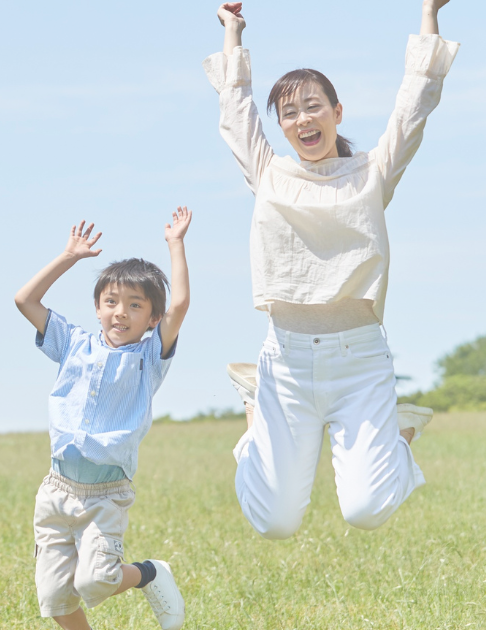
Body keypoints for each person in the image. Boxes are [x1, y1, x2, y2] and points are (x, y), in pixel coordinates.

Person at [205, 0, 458, 539]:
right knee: (275, 523)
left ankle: (401, 429)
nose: (302, 119)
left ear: (337, 112)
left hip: (358, 360)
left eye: (313, 106)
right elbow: (234, 108)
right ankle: (255, 414)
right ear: (282, 126)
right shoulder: (268, 172)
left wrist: (429, 13)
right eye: (289, 113)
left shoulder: (373, 171)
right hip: (285, 363)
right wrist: (233, 31)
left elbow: (415, 103)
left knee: (365, 510)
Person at [13, 209, 193, 630]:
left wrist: (175, 244)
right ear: (97, 307)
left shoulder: (149, 359)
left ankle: (150, 573)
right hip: (56, 490)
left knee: (96, 581)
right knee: (56, 599)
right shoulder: (72, 342)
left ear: (151, 319)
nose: (120, 313)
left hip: (105, 495)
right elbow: (25, 300)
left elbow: (180, 303)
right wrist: (68, 256)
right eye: (111, 302)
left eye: (135, 306)